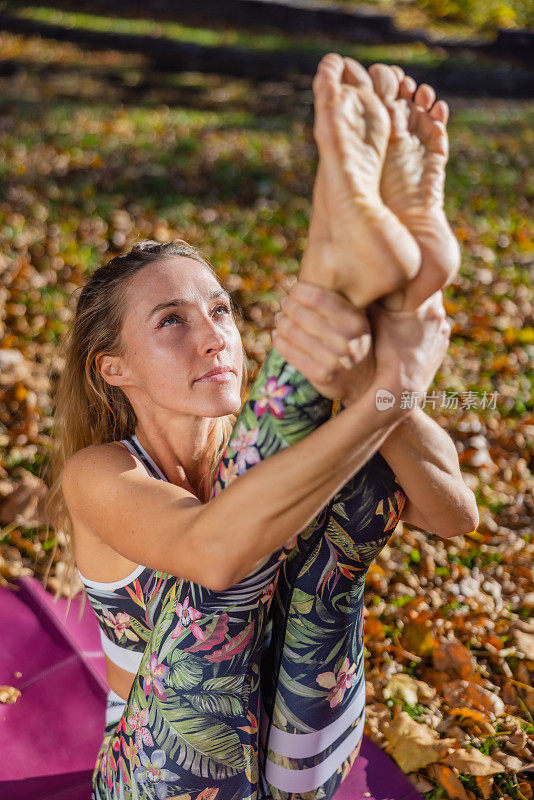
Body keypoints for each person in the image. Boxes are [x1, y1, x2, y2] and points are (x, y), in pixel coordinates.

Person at [47, 55, 477, 800]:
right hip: (165, 773)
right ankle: (336, 258)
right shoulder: (102, 473)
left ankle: (366, 275)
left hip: (302, 755)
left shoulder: (274, 437)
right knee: (227, 566)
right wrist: (392, 388)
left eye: (220, 310)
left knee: (356, 478)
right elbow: (211, 557)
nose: (215, 338)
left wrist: (373, 391)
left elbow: (453, 514)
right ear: (113, 369)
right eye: (171, 321)